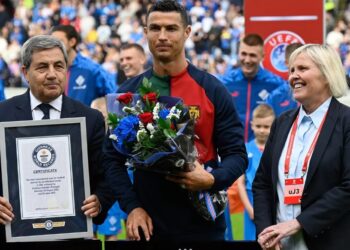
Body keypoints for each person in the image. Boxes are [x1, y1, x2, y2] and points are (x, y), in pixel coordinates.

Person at [103, 0, 247, 241]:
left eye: (171, 28)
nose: (162, 36)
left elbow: (237, 155)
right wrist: (132, 207)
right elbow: (111, 159)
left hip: (202, 224)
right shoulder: (128, 93)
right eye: (155, 28)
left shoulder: (212, 89)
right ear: (145, 32)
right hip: (148, 226)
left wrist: (213, 179)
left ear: (187, 32)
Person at [0, 35, 114, 242]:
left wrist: (99, 200)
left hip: (72, 236)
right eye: (42, 67)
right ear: (25, 72)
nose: (52, 74)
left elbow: (106, 174)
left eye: (59, 66)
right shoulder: (2, 115)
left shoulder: (90, 119)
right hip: (13, 235)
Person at [253, 44, 350, 250]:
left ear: (326, 74)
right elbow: (262, 183)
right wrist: (266, 232)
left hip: (328, 242)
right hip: (279, 244)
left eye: (302, 69)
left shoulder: (346, 122)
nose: (293, 76)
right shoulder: (282, 123)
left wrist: (299, 223)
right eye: (291, 70)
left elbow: (348, 186)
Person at [220, 33, 285, 142]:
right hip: (232, 150)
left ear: (262, 56)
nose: (247, 60)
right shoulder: (225, 82)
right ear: (238, 53)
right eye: (243, 54)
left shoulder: (276, 84)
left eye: (252, 55)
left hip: (263, 151)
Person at [50, 25, 117, 106]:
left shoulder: (92, 69)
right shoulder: (50, 71)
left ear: (72, 42)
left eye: (59, 41)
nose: (54, 46)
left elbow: (114, 96)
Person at [237, 104, 275, 240]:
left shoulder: (277, 148)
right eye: (258, 126)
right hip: (251, 200)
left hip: (271, 199)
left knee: (270, 239)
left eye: (266, 127)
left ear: (273, 125)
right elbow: (240, 183)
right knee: (251, 237)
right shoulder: (245, 149)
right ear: (252, 125)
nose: (262, 131)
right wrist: (250, 209)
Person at [266, 43, 302, 116]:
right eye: (294, 62)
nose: (297, 69)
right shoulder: (275, 97)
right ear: (286, 63)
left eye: (302, 65)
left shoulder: (316, 94)